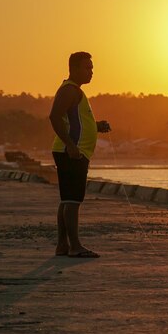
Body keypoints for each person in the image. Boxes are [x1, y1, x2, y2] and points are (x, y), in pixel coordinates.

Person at [49, 51, 110, 258]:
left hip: (71, 151)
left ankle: (62, 245)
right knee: (73, 200)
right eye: (87, 67)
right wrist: (70, 145)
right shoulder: (70, 90)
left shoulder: (75, 92)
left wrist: (96, 126)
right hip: (72, 152)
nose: (91, 72)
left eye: (92, 68)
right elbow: (54, 116)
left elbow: (76, 122)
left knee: (67, 200)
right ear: (74, 69)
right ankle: (75, 246)